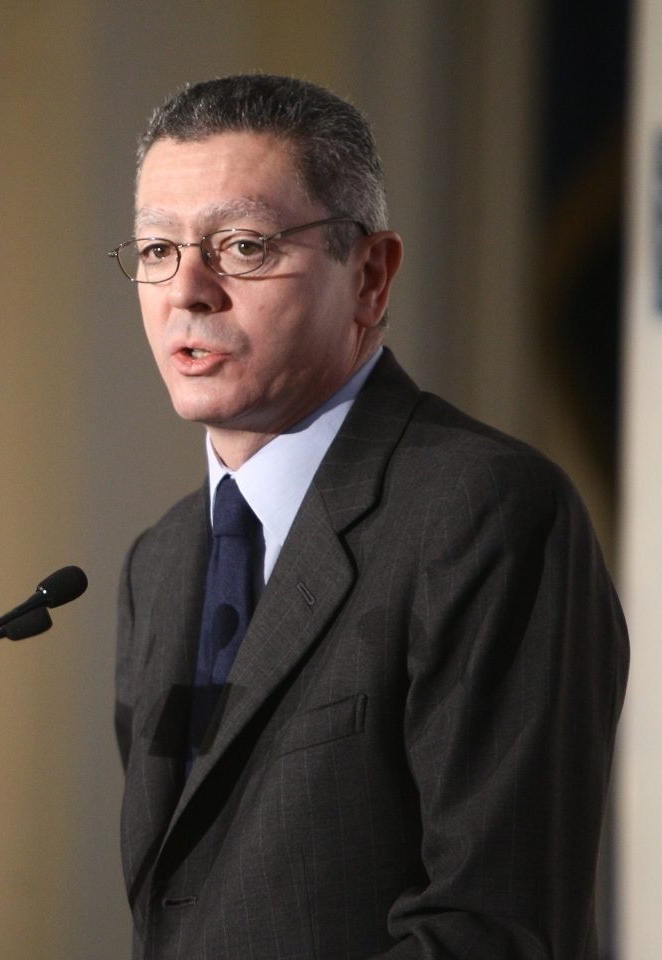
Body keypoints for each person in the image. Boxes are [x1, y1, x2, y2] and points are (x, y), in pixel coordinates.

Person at [111, 74, 629, 959]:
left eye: (241, 246)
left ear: (370, 275)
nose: (187, 291)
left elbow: (491, 926)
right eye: (158, 250)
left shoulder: (486, 514)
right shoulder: (159, 562)